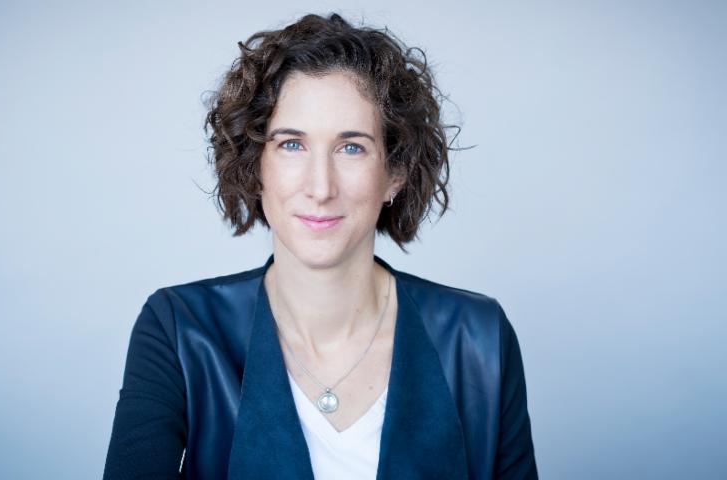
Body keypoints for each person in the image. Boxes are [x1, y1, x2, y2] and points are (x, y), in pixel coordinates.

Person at [103, 12, 538, 480]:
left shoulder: (479, 338)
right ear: (255, 166)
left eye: (351, 148)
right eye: (292, 144)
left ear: (394, 173)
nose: (321, 186)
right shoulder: (179, 329)